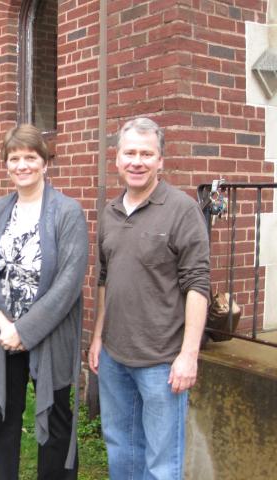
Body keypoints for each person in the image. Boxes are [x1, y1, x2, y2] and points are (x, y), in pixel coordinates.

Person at [88, 117, 210, 479]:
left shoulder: (182, 209)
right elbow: (106, 279)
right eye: (130, 153)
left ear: (160, 161)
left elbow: (198, 285)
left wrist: (189, 356)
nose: (136, 161)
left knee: (162, 463)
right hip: (113, 358)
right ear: (117, 159)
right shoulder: (109, 212)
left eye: (146, 153)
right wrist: (97, 338)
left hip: (162, 362)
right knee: (121, 450)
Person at [0, 124, 88, 480]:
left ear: (44, 162)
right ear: (6, 164)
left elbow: (69, 282)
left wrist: (25, 331)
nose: (22, 165)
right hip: (4, 333)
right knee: (1, 418)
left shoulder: (67, 212)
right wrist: (3, 322)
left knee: (55, 422)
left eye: (30, 157)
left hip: (49, 336)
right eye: (14, 158)